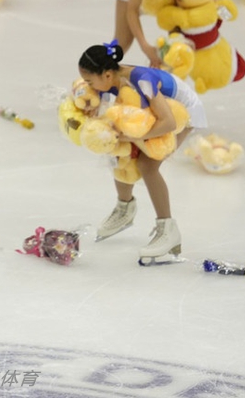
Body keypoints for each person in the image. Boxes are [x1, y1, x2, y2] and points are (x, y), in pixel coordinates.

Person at [77, 42, 207, 261]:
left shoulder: (142, 80)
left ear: (107, 75)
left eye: (90, 82)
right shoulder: (111, 80)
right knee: (118, 149)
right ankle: (125, 208)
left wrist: (134, 137)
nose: (89, 87)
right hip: (157, 112)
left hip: (183, 113)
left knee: (148, 165)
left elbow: (168, 122)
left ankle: (168, 230)